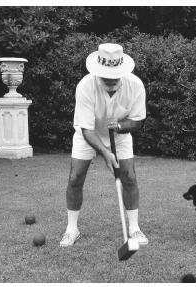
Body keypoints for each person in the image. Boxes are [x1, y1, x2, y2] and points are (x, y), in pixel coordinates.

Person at [60, 43, 148, 247]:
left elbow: (137, 121)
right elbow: (86, 130)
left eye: (114, 78)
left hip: (120, 134)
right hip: (88, 134)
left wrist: (119, 125)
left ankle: (134, 229)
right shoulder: (85, 86)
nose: (110, 81)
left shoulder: (135, 85)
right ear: (97, 73)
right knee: (75, 177)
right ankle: (72, 229)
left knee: (129, 177)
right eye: (106, 78)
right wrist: (105, 152)